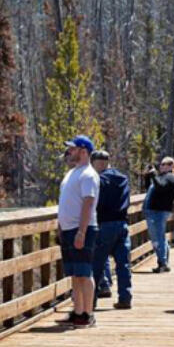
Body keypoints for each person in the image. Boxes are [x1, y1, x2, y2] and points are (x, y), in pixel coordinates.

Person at [57, 135, 100, 327]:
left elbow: (88, 203)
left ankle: (88, 313)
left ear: (84, 151)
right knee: (75, 274)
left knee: (84, 272)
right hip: (68, 228)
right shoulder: (72, 173)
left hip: (81, 228)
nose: (69, 152)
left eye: (73, 149)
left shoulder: (88, 174)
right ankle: (78, 310)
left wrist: (81, 232)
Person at [91, 149, 132, 309]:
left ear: (95, 163)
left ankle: (90, 301)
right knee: (123, 264)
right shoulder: (122, 178)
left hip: (104, 224)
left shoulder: (98, 180)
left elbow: (96, 202)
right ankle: (125, 298)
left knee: (97, 264)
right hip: (122, 224)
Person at [143, 156, 174, 273]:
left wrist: (154, 175)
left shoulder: (171, 177)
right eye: (161, 164)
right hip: (153, 211)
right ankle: (163, 262)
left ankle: (162, 263)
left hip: (159, 211)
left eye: (166, 164)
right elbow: (149, 188)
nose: (162, 166)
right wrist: (148, 176)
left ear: (172, 166)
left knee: (157, 238)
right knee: (159, 237)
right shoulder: (162, 177)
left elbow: (161, 187)